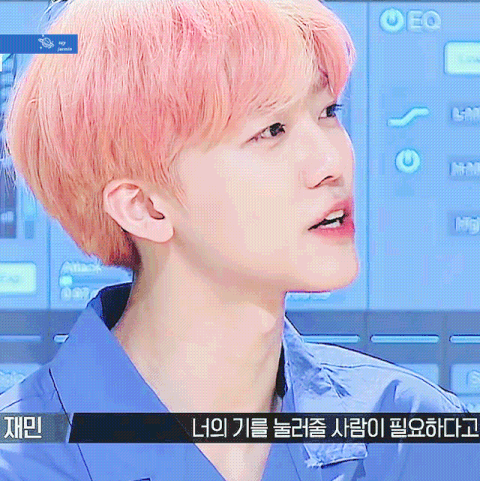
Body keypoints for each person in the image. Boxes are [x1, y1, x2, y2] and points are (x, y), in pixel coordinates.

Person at [0, 0, 477, 480]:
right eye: (271, 130)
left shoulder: (413, 437)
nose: (331, 162)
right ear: (144, 207)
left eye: (328, 111)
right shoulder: (23, 460)